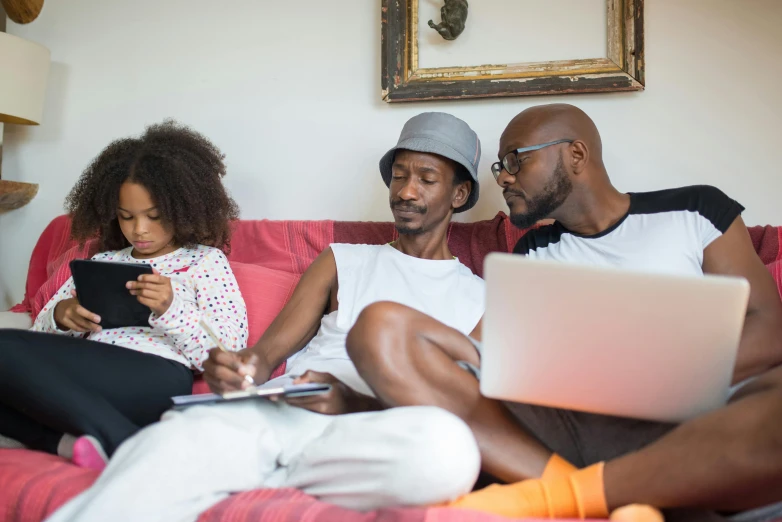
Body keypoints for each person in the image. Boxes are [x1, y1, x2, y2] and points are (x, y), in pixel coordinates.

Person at [346, 104, 782, 521]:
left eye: (515, 160)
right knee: (379, 329)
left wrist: (646, 373)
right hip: (567, 435)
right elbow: (479, 359)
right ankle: (605, 494)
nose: (504, 178)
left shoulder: (695, 210)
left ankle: (572, 496)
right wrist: (359, 397)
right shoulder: (531, 253)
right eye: (500, 166)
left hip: (699, 430)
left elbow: (769, 334)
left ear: (575, 154)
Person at [45, 112, 485, 522]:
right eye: (400, 176)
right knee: (176, 439)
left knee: (450, 452)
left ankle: (250, 475)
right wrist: (238, 368)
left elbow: (459, 403)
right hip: (286, 408)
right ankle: (243, 464)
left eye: (426, 179)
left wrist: (354, 403)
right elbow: (266, 353)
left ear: (459, 194)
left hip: (371, 431)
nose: (406, 191)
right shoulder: (343, 259)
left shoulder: (480, 297)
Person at [0, 121, 248, 470]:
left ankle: (119, 438)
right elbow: (38, 338)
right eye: (126, 217)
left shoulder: (204, 261)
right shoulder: (102, 261)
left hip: (157, 374)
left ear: (184, 208)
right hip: (86, 365)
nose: (139, 229)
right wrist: (61, 315)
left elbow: (229, 349)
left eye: (154, 216)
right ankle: (70, 444)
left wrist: (171, 307)